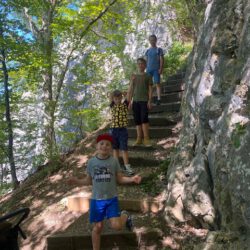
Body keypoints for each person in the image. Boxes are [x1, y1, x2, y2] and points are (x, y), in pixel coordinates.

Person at [68, 133, 142, 250]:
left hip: (111, 199)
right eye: (101, 143)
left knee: (117, 226)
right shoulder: (91, 162)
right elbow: (88, 181)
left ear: (111, 148)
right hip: (96, 201)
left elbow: (120, 178)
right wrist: (76, 181)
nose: (104, 146)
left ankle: (125, 215)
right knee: (98, 227)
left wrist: (132, 179)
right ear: (96, 146)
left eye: (108, 144)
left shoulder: (114, 161)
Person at [127, 58, 153, 147]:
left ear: (145, 65)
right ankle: (139, 138)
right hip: (135, 101)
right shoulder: (134, 76)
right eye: (138, 64)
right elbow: (130, 90)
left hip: (144, 101)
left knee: (144, 119)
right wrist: (129, 101)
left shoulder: (148, 76)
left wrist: (150, 101)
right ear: (137, 65)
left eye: (142, 64)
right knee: (137, 120)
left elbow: (150, 89)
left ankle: (146, 138)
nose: (140, 65)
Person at [109, 90, 135, 176]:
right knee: (115, 149)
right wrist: (112, 94)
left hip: (122, 130)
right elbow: (110, 96)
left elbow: (129, 97)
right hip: (113, 130)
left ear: (121, 98)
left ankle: (127, 166)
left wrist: (126, 93)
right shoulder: (112, 106)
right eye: (115, 99)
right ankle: (117, 167)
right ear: (113, 99)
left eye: (119, 99)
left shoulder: (124, 105)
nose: (117, 100)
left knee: (124, 148)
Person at [145, 34, 164, 105]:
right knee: (149, 85)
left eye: (153, 40)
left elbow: (162, 59)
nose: (152, 41)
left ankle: (159, 99)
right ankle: (150, 99)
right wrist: (145, 70)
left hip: (156, 69)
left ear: (156, 40)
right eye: (151, 40)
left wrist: (161, 68)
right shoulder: (147, 51)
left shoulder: (159, 49)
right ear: (149, 41)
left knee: (157, 84)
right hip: (148, 70)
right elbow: (146, 61)